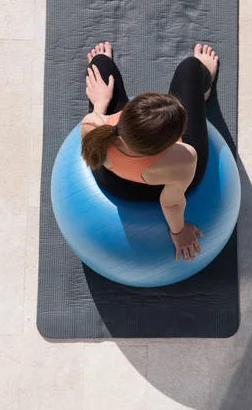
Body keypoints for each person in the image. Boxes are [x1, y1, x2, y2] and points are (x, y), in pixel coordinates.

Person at [80, 42, 219, 262]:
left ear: (129, 111)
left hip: (115, 181)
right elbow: (171, 202)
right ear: (167, 145)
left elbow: (94, 124)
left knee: (100, 65)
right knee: (191, 68)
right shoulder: (182, 159)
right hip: (162, 182)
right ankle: (203, 91)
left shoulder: (93, 125)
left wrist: (100, 104)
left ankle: (102, 69)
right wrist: (179, 233)